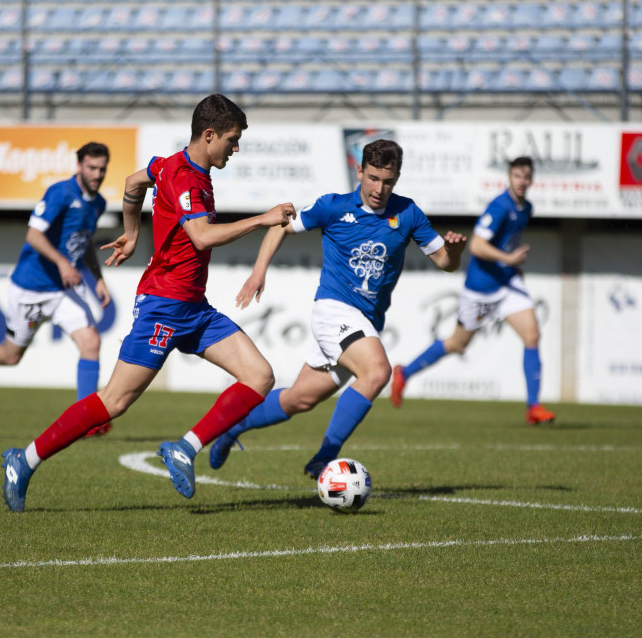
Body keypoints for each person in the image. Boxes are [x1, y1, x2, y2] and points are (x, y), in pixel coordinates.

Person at [0, 94, 296, 511]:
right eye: (232, 139)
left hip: (193, 307)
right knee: (113, 402)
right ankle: (23, 461)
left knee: (260, 376)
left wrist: (133, 232)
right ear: (208, 135)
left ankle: (184, 449)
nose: (236, 147)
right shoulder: (188, 179)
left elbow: (132, 184)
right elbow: (203, 236)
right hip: (162, 305)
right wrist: (262, 219)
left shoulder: (168, 164)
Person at [209, 139, 467, 478]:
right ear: (359, 171)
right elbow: (281, 225)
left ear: (397, 177)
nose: (379, 188)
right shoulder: (333, 207)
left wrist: (455, 251)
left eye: (388, 181)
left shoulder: (408, 213)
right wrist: (259, 272)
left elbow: (445, 263)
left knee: (299, 399)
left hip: (366, 321)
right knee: (376, 372)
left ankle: (231, 428)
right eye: (373, 178)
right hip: (334, 310)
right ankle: (324, 458)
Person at [0, 143, 113, 434]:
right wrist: (61, 263)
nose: (97, 174)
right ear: (79, 165)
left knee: (91, 343)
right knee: (10, 356)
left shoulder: (98, 203)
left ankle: (85, 419)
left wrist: (98, 279)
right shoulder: (60, 193)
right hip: (31, 288)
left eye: (102, 169)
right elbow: (33, 235)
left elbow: (84, 244)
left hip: (61, 292)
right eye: (91, 168)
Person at [389, 156, 555, 426]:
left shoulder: (526, 208)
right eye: (517, 176)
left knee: (532, 335)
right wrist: (509, 259)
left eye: (526, 177)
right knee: (456, 344)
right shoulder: (500, 206)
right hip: (480, 288)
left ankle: (533, 407)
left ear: (532, 179)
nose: (522, 182)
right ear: (509, 177)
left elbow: (505, 243)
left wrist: (512, 266)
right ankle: (404, 373)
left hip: (507, 283)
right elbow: (477, 246)